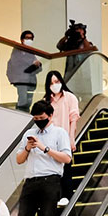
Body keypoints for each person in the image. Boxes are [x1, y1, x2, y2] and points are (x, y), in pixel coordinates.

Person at [10, 100, 72, 216]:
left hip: (50, 181)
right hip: (30, 182)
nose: (38, 121)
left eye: (41, 118)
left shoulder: (59, 133)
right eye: (35, 119)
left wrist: (45, 148)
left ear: (50, 116)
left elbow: (67, 158)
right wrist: (28, 148)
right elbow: (19, 160)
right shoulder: (29, 134)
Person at [43, 70, 81, 206]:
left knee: (66, 167)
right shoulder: (46, 101)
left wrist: (71, 138)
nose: (54, 85)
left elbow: (73, 119)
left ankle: (67, 195)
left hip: (64, 137)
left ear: (61, 81)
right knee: (51, 169)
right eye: (51, 83)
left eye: (57, 81)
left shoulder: (70, 97)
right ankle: (55, 196)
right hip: (50, 139)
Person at [6, 30, 42, 111]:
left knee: (28, 102)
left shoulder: (31, 52)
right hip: (21, 81)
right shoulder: (16, 51)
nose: (29, 40)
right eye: (27, 38)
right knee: (23, 101)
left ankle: (25, 114)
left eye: (31, 38)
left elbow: (38, 68)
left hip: (31, 81)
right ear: (22, 40)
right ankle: (20, 114)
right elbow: (17, 64)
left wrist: (38, 64)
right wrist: (32, 64)